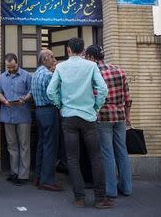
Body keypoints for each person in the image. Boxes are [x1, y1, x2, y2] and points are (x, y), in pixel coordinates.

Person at [46, 37, 115, 209]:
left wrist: (60, 104)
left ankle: (79, 198)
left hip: (69, 117)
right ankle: (100, 198)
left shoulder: (61, 67)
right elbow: (103, 89)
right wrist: (96, 106)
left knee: (72, 158)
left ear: (68, 50)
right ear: (83, 50)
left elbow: (50, 91)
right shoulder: (91, 66)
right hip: (88, 117)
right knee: (96, 157)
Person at [85, 44, 133, 198]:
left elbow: (93, 96)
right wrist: (128, 116)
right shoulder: (119, 70)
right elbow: (128, 98)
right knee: (122, 151)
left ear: (92, 57)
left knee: (107, 152)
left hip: (104, 115)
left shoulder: (94, 73)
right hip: (120, 115)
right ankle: (127, 188)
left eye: (87, 56)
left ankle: (111, 190)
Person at [0, 53, 32, 186]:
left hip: (23, 115)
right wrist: (4, 101)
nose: (10, 69)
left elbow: (31, 92)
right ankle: (14, 172)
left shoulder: (26, 75)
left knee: (24, 145)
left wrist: (24, 99)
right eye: (8, 67)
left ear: (17, 63)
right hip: (7, 114)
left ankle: (23, 175)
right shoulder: (1, 77)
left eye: (12, 66)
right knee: (11, 145)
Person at [30, 49, 63, 192]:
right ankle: (47, 180)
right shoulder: (49, 75)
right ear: (44, 60)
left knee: (42, 144)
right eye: (52, 57)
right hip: (49, 111)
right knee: (50, 145)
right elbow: (56, 93)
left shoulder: (36, 73)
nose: (54, 59)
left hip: (39, 111)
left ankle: (38, 177)